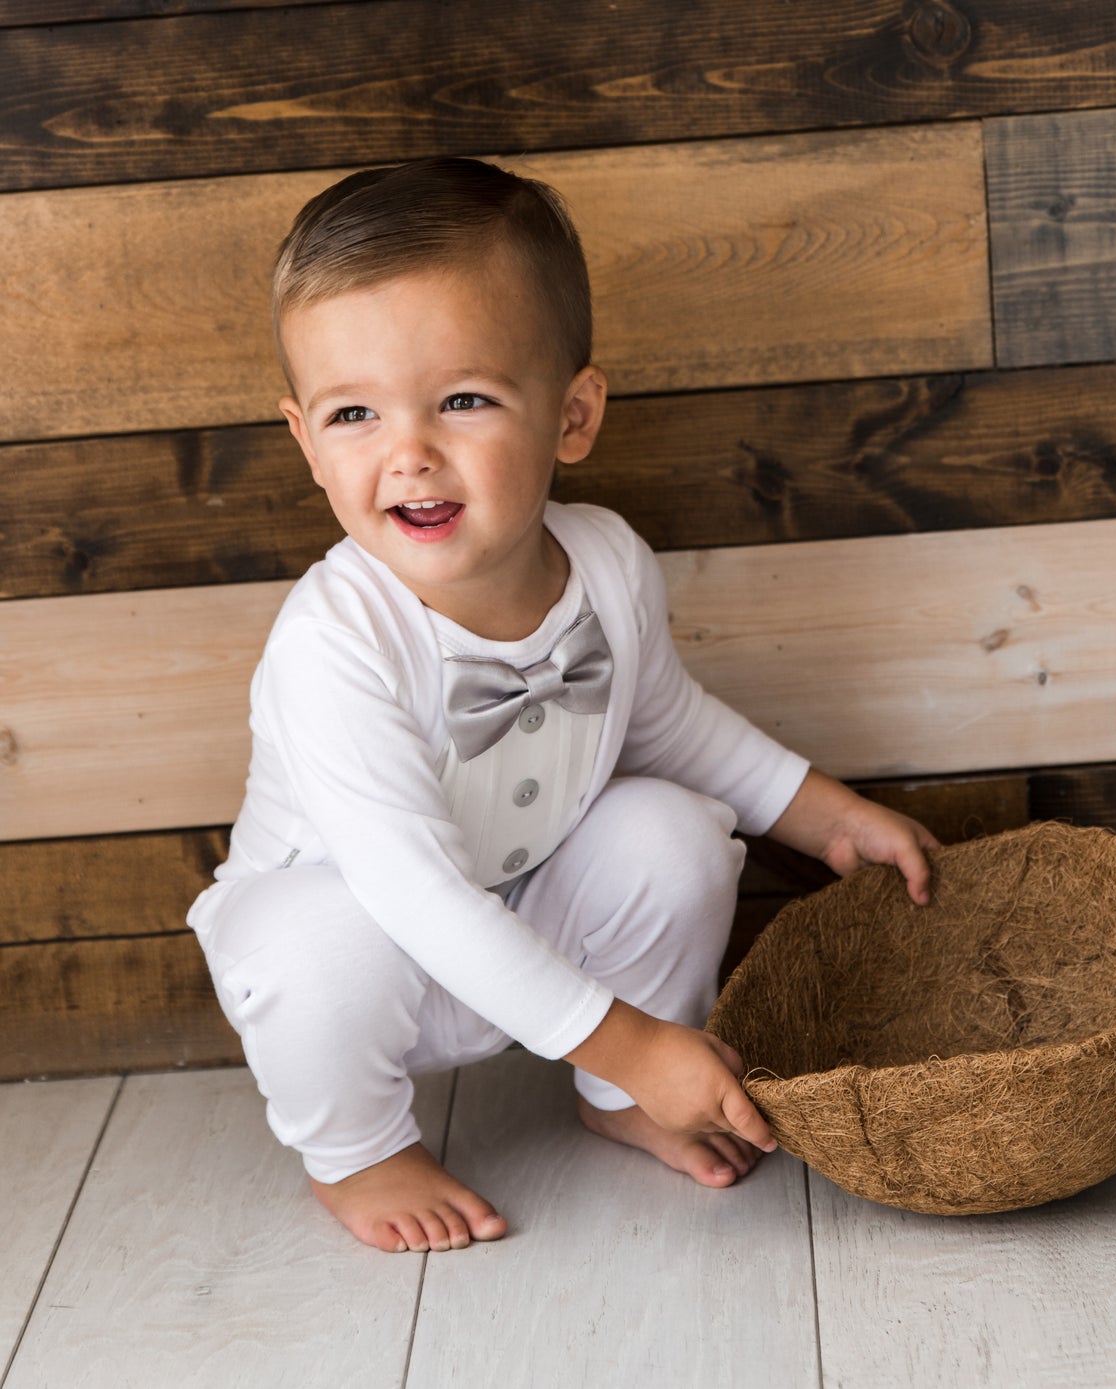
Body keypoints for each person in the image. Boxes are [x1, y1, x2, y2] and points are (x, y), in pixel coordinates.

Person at [188, 156, 938, 1255]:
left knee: (675, 830)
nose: (408, 454)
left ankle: (614, 1096)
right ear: (306, 442)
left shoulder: (606, 563)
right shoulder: (334, 643)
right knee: (313, 937)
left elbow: (670, 724)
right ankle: (358, 1153)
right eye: (355, 413)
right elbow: (414, 896)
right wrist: (634, 1038)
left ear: (572, 416)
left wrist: (822, 813)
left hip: (530, 921)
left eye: (463, 400)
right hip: (371, 959)